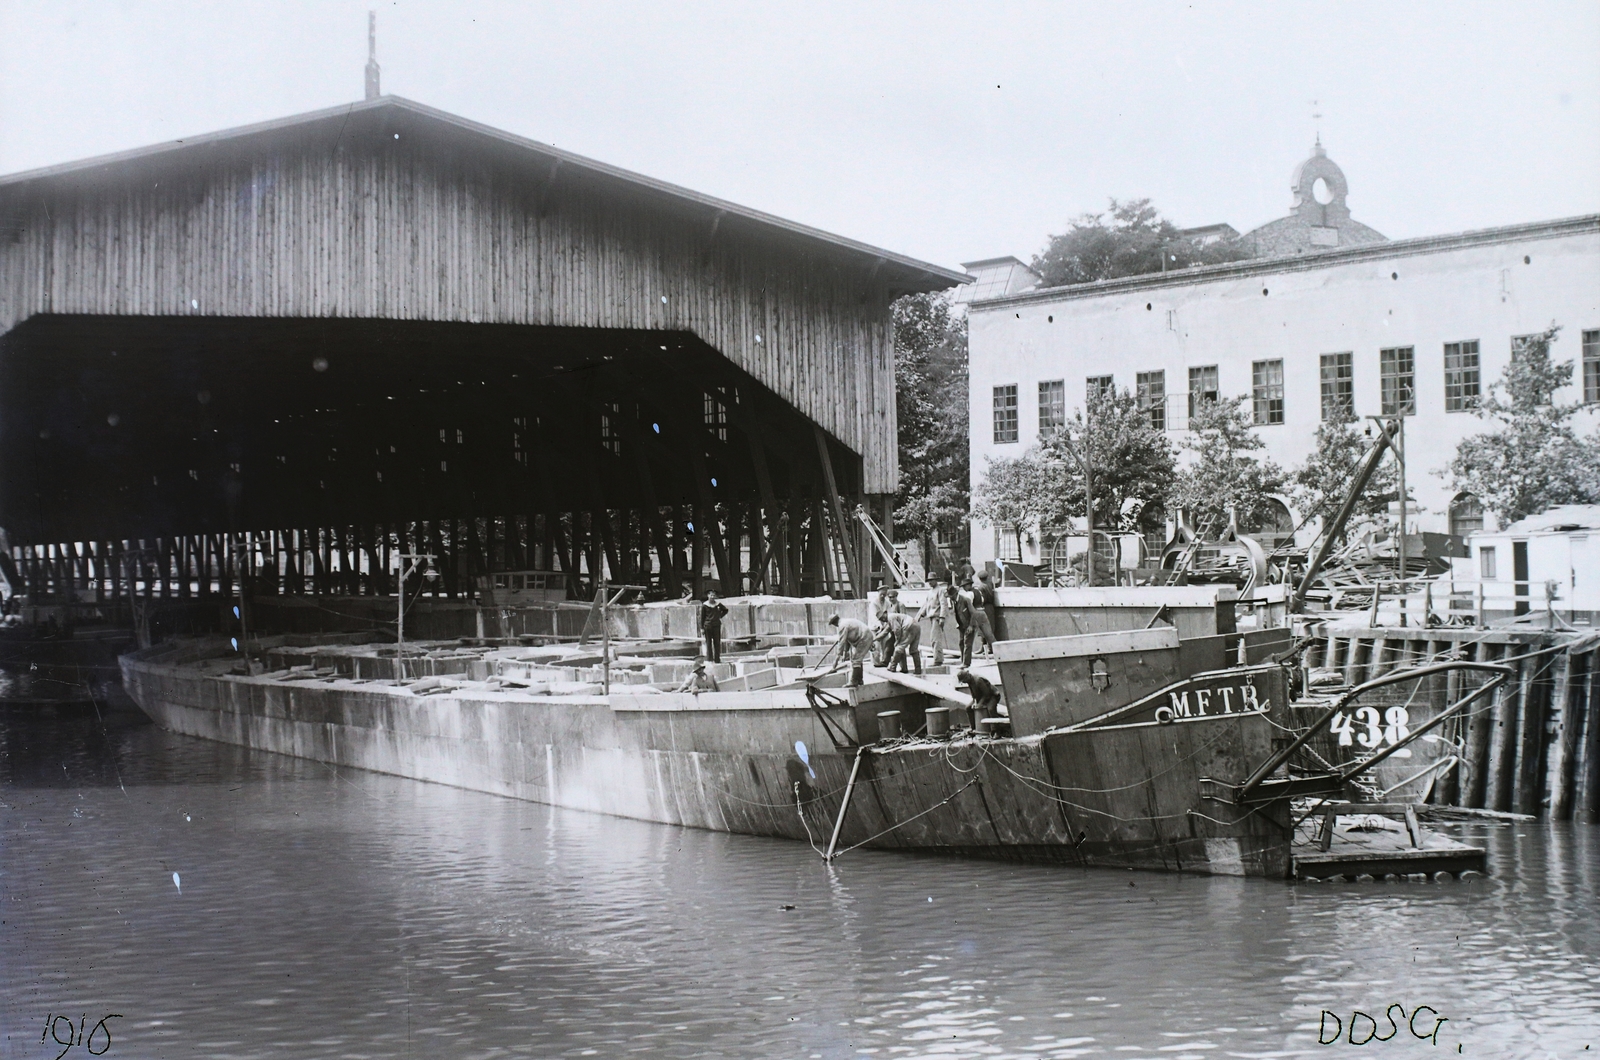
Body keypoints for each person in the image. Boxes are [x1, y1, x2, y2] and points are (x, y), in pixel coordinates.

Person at [827, 613, 874, 686]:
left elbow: (841, 642)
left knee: (856, 660)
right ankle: (859, 680)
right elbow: (846, 640)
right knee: (856, 659)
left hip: (864, 637)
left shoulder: (842, 625)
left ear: (834, 623)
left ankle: (854, 681)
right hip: (864, 636)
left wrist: (837, 657)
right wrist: (845, 652)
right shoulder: (845, 622)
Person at [917, 577, 950, 666]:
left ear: (935, 580)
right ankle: (938, 658)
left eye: (931, 580)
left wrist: (942, 617)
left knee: (935, 639)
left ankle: (938, 660)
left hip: (937, 617)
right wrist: (919, 615)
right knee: (933, 638)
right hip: (931, 617)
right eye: (928, 581)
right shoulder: (930, 592)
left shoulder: (940, 590)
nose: (930, 582)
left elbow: (943, 604)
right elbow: (926, 604)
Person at [968, 573, 999, 658]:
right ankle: (985, 647)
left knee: (984, 627)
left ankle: (988, 647)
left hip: (984, 607)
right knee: (989, 627)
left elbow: (981, 599)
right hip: (990, 607)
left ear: (979, 578)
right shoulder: (990, 584)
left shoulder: (981, 587)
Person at [947, 580, 976, 668]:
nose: (950, 598)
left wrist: (971, 625)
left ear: (955, 594)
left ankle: (966, 663)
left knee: (967, 643)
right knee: (961, 643)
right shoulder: (954, 602)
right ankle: (963, 661)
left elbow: (973, 613)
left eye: (951, 596)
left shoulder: (965, 600)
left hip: (969, 625)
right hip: (961, 625)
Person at [884, 610, 923, 675]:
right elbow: (885, 632)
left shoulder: (890, 617)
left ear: (885, 613)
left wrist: (897, 641)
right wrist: (875, 639)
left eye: (881, 618)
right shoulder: (894, 617)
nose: (882, 619)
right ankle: (918, 669)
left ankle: (892, 667)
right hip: (916, 625)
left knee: (899, 647)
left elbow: (897, 629)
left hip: (908, 625)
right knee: (914, 649)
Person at [699, 590, 729, 663]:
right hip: (708, 626)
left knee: (717, 643)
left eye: (713, 595)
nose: (712, 597)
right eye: (711, 595)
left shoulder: (718, 604)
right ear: (708, 596)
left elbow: (725, 610)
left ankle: (717, 659)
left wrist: (719, 616)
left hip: (716, 625)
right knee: (708, 643)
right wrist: (702, 628)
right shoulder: (705, 605)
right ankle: (710, 659)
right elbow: (702, 617)